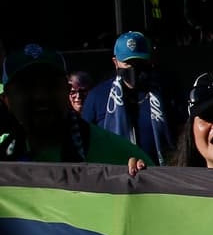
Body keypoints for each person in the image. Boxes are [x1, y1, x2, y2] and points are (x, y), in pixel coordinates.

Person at [1, 44, 149, 170]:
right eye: (27, 87)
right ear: (6, 99)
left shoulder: (119, 156)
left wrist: (141, 182)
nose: (41, 96)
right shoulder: (4, 156)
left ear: (67, 89)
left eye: (50, 84)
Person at [81, 31, 175, 164]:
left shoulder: (165, 94)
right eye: (128, 63)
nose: (133, 69)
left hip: (159, 176)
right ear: (116, 62)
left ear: (150, 60)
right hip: (113, 178)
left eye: (139, 63)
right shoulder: (98, 97)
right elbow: (85, 143)